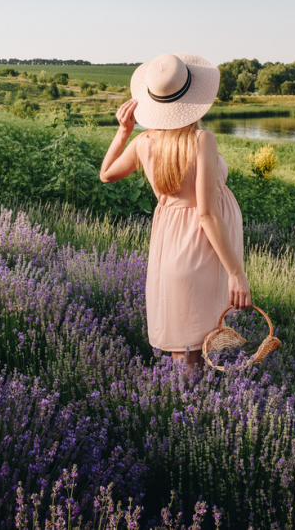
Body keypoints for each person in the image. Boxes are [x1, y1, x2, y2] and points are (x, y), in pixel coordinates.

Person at [99, 53, 250, 371]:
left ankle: (181, 411)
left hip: (171, 247)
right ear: (193, 97)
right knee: (198, 347)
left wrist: (124, 131)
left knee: (187, 347)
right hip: (204, 251)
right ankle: (189, 413)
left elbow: (106, 173)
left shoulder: (144, 142)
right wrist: (236, 273)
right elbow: (207, 214)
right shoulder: (201, 139)